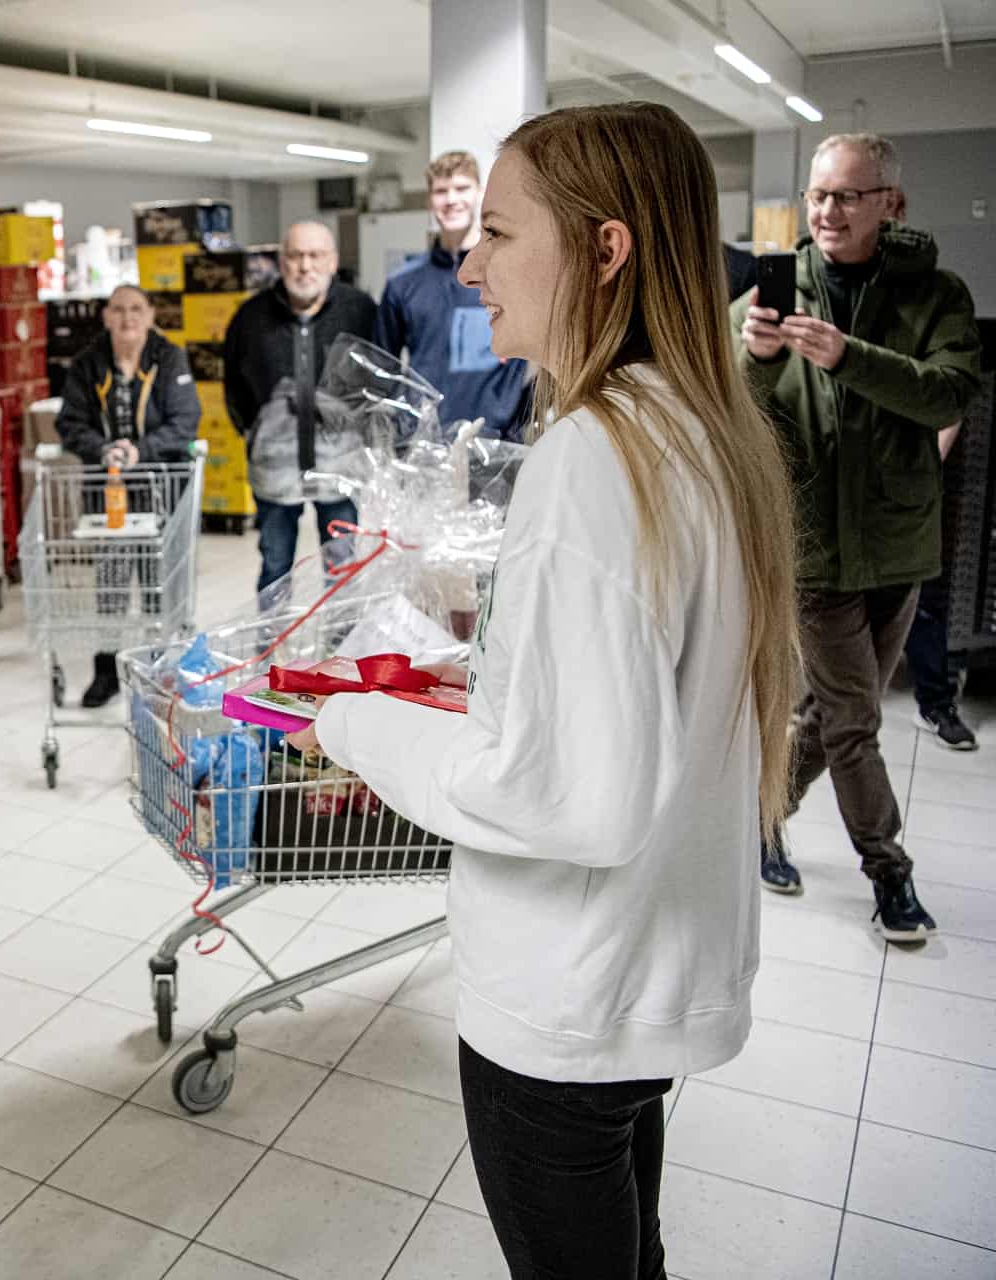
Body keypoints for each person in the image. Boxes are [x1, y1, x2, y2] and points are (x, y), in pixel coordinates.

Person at [293, 102, 800, 1278]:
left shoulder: (591, 456)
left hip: (566, 1001)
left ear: (606, 249)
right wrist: (496, 625)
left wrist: (351, 718)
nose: (468, 261)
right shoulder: (693, 423)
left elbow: (564, 795)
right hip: (645, 979)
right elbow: (644, 683)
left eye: (502, 234)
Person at [732, 132, 981, 935]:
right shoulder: (773, 291)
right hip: (812, 549)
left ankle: (761, 819)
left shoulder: (935, 295)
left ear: (890, 204)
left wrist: (850, 357)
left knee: (834, 716)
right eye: (816, 195)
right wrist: (759, 361)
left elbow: (948, 395)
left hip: (900, 544)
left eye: (845, 195)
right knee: (855, 721)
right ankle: (890, 874)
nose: (826, 211)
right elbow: (729, 411)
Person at [54, 284, 201, 706]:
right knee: (111, 586)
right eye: (117, 309)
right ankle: (107, 672)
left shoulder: (170, 358)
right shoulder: (86, 364)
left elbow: (185, 419)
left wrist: (141, 450)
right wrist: (103, 450)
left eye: (136, 308)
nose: (127, 318)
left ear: (151, 314)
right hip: (109, 492)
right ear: (105, 316)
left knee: (159, 584)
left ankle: (160, 670)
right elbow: (70, 422)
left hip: (161, 488)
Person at [223, 219, 378, 593]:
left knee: (342, 570)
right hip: (275, 471)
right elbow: (234, 387)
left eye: (315, 255)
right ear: (281, 260)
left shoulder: (360, 311)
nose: (305, 265)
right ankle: (271, 648)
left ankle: (340, 648)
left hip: (340, 467)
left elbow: (378, 378)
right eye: (295, 255)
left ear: (332, 261)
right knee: (275, 566)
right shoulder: (250, 317)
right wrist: (258, 432)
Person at [375, 150, 531, 441]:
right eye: (441, 191)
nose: (451, 200)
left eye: (461, 188)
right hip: (425, 444)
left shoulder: (510, 274)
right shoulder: (403, 284)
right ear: (429, 199)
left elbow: (535, 353)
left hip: (497, 443)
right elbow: (383, 369)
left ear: (480, 194)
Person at [904, 421, 976, 750]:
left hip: (917, 477)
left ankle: (934, 704)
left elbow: (950, 407)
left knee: (925, 598)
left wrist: (926, 465)